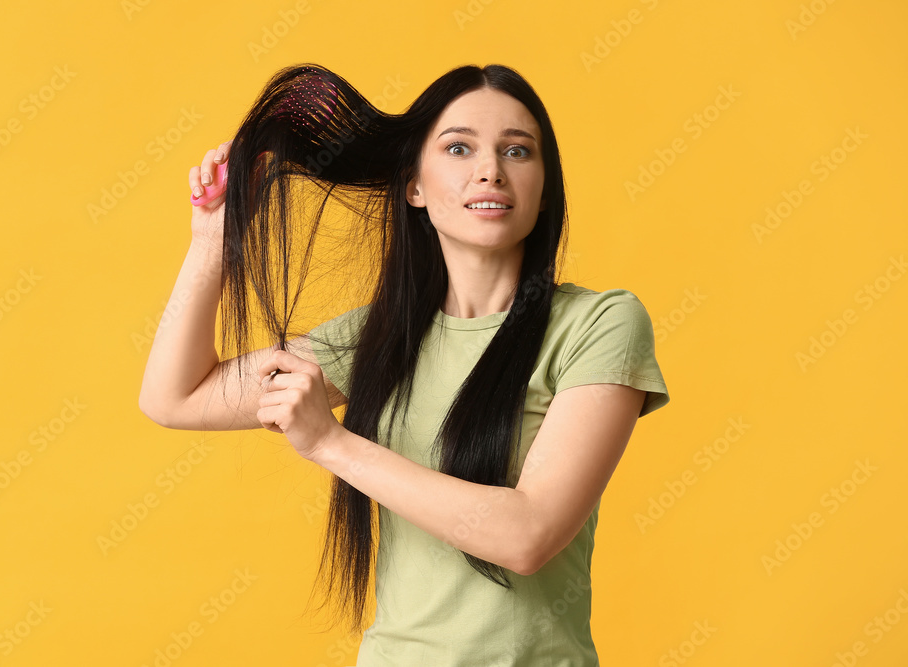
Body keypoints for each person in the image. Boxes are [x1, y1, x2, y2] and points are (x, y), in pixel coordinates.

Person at [139, 62, 670, 666]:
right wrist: (212, 242)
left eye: (517, 151)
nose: (490, 170)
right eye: (458, 147)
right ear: (414, 186)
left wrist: (329, 444)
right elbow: (173, 397)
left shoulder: (599, 325)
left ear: (545, 186)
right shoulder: (377, 337)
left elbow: (528, 536)